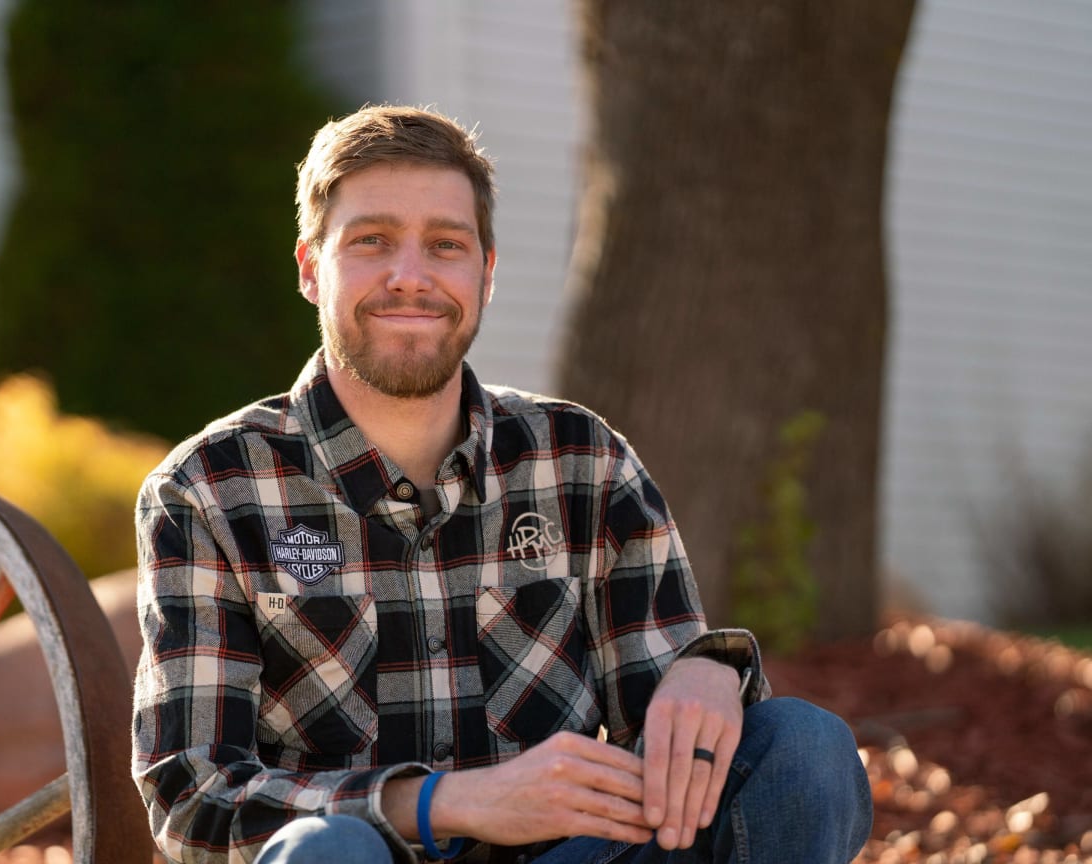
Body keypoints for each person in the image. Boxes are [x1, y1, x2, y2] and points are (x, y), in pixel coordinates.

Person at [133, 105, 872, 864]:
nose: (410, 276)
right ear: (311, 268)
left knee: (806, 746)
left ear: (485, 273)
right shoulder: (210, 491)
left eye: (445, 245)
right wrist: (448, 803)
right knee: (327, 853)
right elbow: (195, 798)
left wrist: (710, 674)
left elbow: (670, 735)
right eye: (372, 241)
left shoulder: (581, 459)